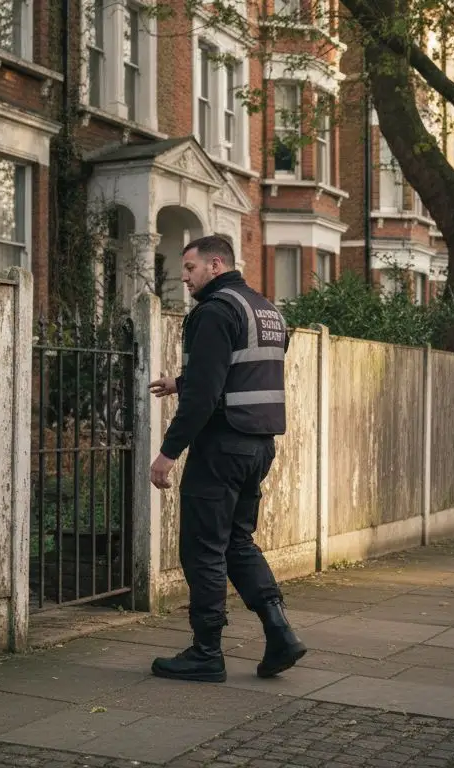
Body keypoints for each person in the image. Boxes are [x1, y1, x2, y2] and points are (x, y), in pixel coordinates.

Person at [147, 234, 306, 683]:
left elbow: (205, 396)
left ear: (216, 265)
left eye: (191, 269)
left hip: (221, 445)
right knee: (237, 542)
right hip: (260, 445)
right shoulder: (266, 310)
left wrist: (167, 453)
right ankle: (280, 633)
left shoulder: (215, 311)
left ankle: (206, 652)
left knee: (204, 548)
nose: (185, 277)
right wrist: (184, 380)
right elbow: (243, 369)